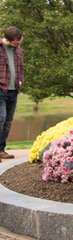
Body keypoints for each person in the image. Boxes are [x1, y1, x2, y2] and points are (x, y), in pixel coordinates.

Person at [0, 27, 24, 161]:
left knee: (8, 121)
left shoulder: (18, 50)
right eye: (16, 43)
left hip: (13, 90)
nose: (18, 45)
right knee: (0, 119)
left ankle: (1, 150)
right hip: (1, 90)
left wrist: (20, 80)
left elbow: (21, 66)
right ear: (7, 40)